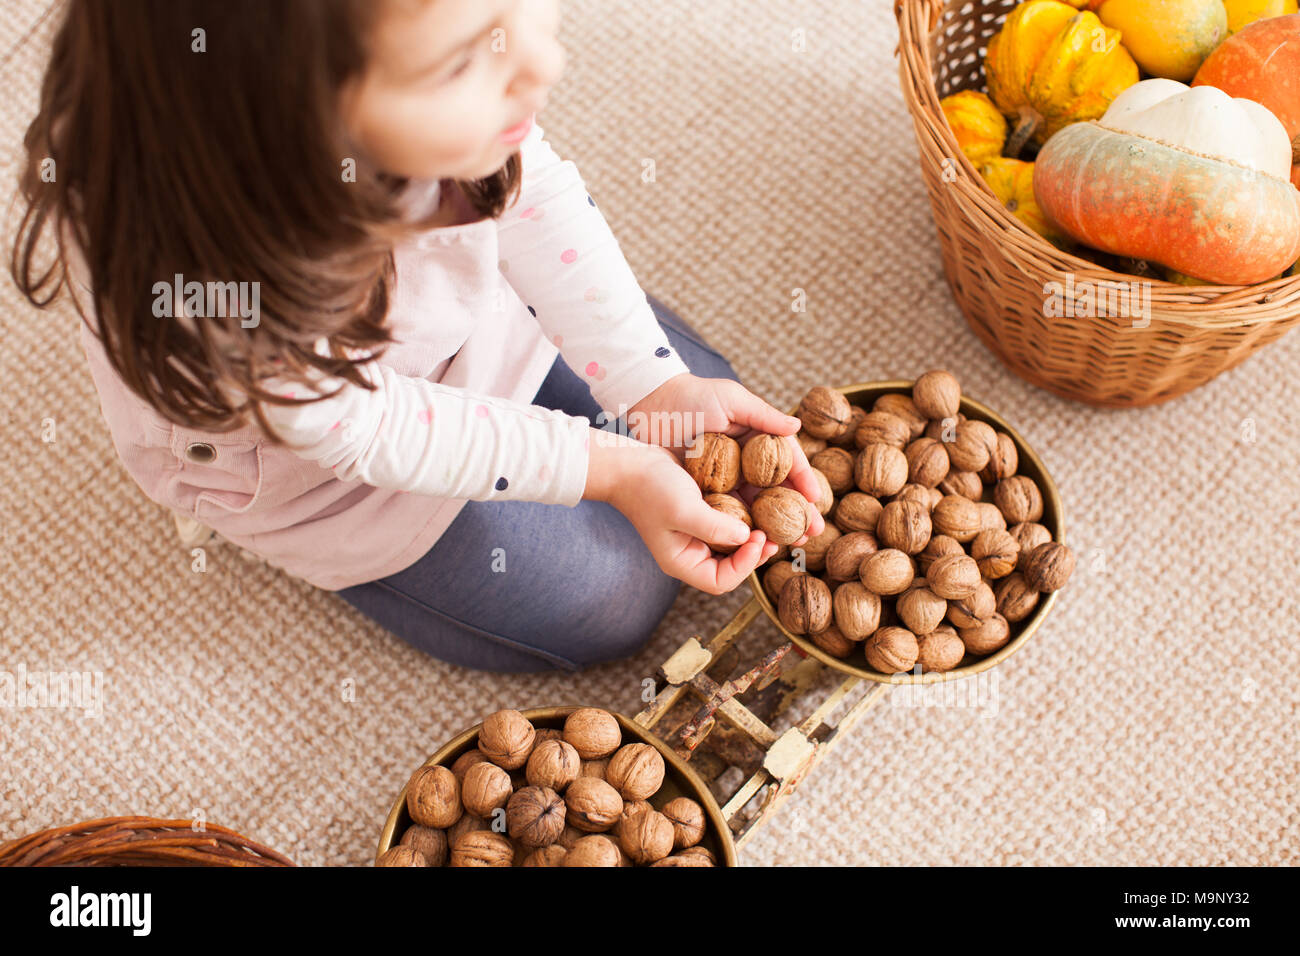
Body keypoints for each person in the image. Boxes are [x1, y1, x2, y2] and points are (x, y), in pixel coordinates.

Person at [11, 0, 824, 672]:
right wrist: (609, 469)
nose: (544, 65)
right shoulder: (213, 300)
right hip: (335, 466)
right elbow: (370, 428)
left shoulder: (448, 103)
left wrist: (651, 387)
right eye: (467, 60)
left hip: (458, 325)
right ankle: (285, 542)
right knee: (614, 600)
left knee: (702, 398)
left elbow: (530, 192)